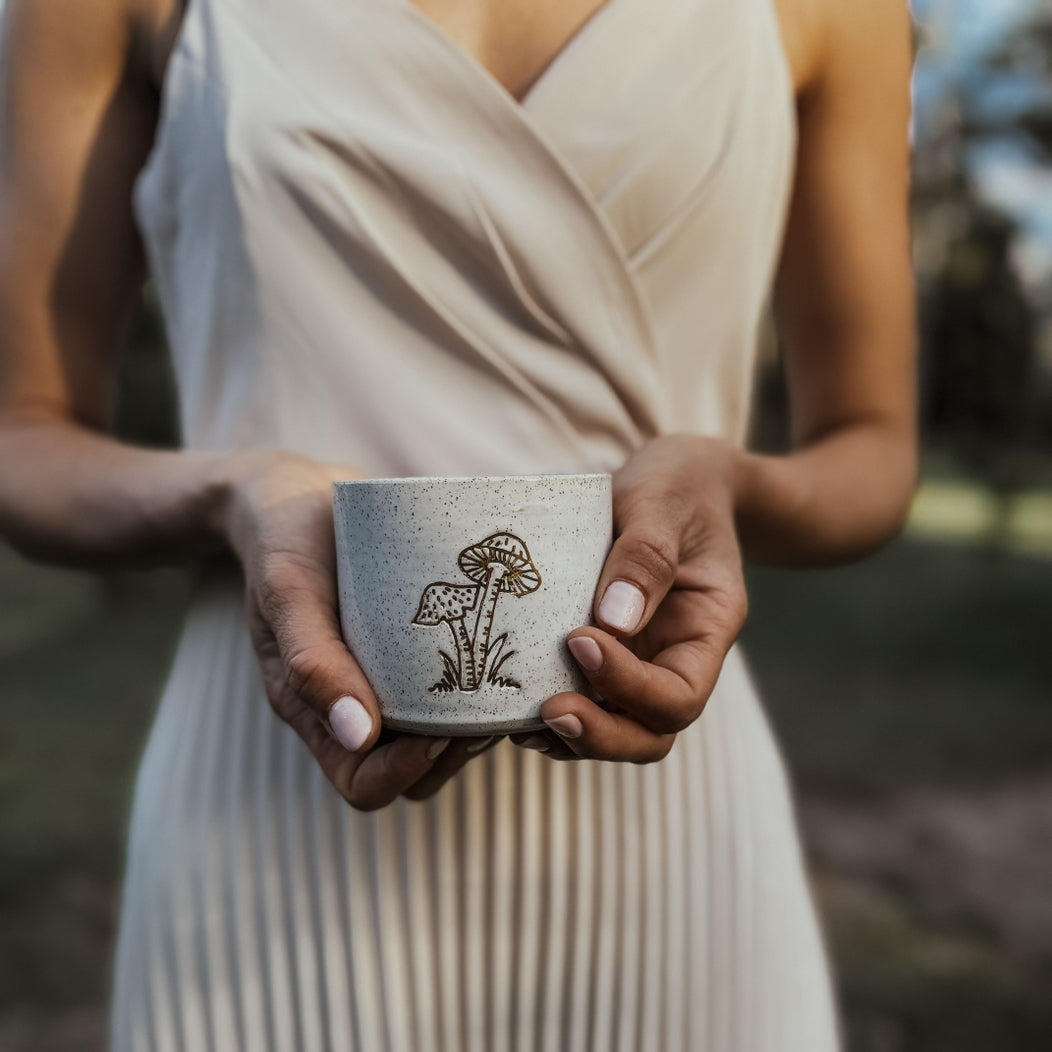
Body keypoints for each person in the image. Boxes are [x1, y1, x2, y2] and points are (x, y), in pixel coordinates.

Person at [0, 0, 916, 1047]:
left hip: (669, 831)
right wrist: (234, 493)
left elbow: (871, 447)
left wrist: (726, 483)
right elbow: (25, 433)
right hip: (265, 803)